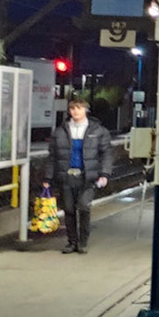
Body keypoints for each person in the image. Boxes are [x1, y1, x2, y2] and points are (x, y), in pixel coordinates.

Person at [48, 97, 112, 255]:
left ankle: (83, 242)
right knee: (69, 209)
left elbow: (106, 154)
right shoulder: (60, 131)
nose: (75, 111)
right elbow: (52, 156)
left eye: (79, 108)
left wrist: (104, 174)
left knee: (84, 206)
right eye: (72, 108)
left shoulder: (98, 131)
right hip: (66, 175)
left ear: (86, 110)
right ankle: (72, 242)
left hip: (88, 176)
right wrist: (47, 177)